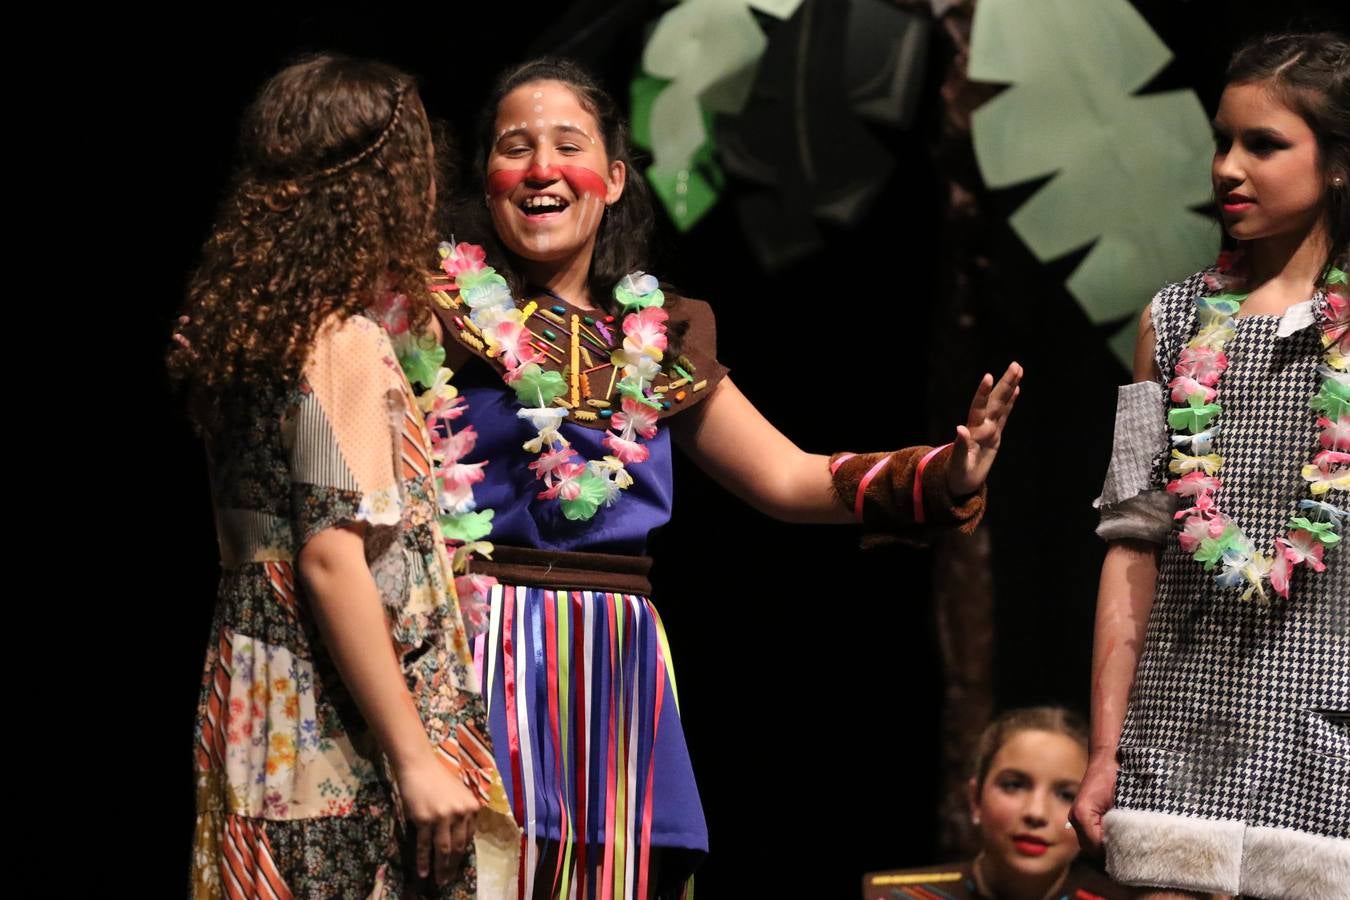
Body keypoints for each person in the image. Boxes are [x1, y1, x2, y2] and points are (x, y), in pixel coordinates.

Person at [168, 54, 518, 899]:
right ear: (384, 185)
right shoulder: (343, 342)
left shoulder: (245, 335)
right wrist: (415, 758)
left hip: (259, 702)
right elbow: (330, 558)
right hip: (334, 723)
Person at [1075, 31, 1350, 900]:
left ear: (1338, 165)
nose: (1228, 167)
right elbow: (1132, 538)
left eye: (1263, 144)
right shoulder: (1169, 320)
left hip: (1326, 737)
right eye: (1222, 141)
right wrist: (1106, 749)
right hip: (1181, 733)